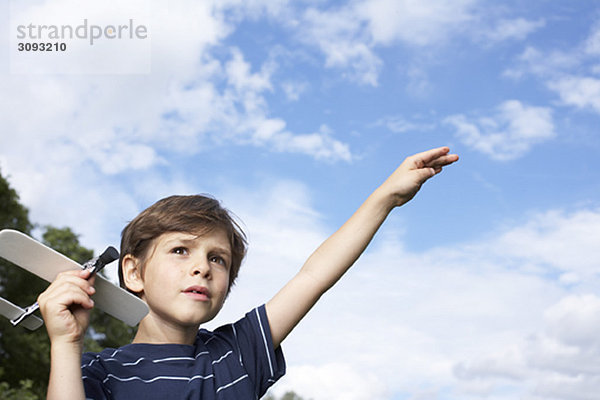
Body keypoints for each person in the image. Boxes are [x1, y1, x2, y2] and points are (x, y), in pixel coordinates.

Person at [38, 146, 458, 399]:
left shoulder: (236, 354)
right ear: (133, 272)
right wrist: (65, 342)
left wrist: (383, 198)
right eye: (181, 250)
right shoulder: (98, 370)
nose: (202, 266)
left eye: (217, 258)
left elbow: (313, 276)